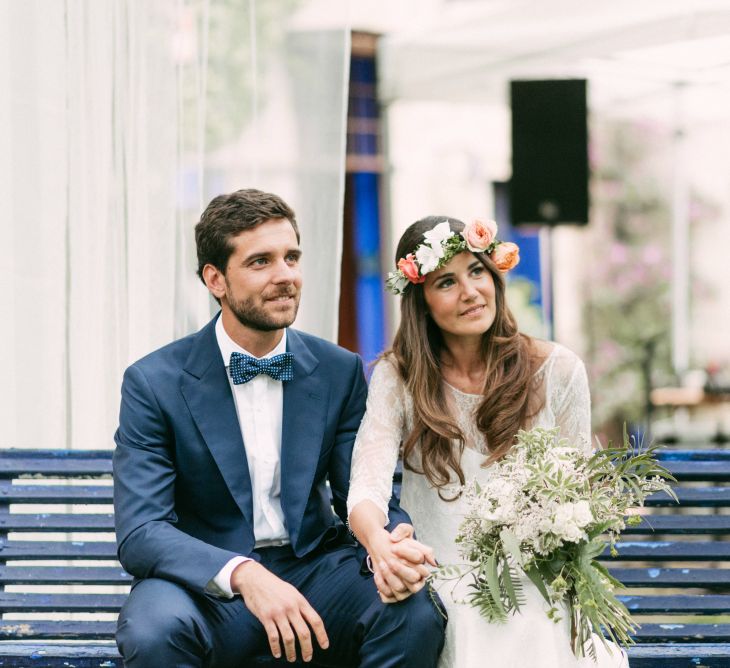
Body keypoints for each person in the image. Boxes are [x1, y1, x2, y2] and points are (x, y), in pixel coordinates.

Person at [113, 189, 445, 668]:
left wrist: (391, 546)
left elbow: (362, 491)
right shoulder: (154, 383)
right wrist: (245, 574)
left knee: (412, 613)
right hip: (205, 588)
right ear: (216, 280)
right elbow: (142, 531)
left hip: (314, 573)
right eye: (261, 262)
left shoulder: (338, 370)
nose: (286, 275)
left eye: (292, 257)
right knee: (153, 631)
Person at [347, 216, 629, 668]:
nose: (470, 292)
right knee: (474, 622)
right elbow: (366, 484)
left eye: (477, 271)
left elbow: (583, 495)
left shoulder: (557, 370)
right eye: (446, 282)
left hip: (535, 575)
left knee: (533, 619)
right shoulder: (397, 376)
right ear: (420, 301)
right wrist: (379, 544)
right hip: (444, 575)